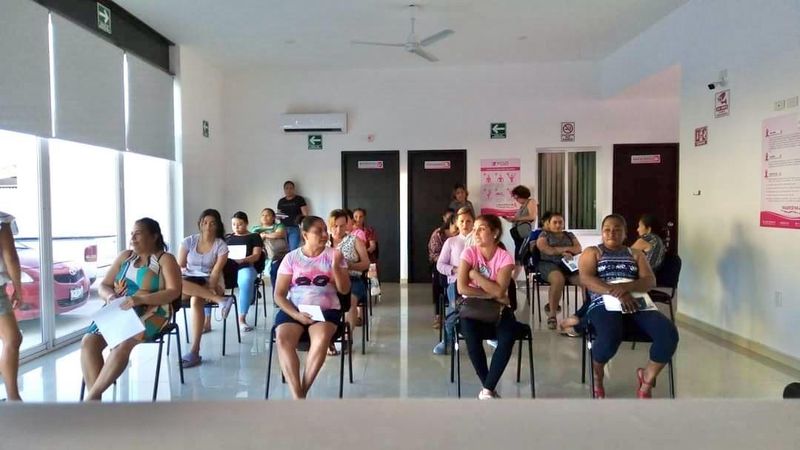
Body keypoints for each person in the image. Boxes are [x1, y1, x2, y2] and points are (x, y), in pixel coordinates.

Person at [577, 214, 679, 399]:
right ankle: (597, 372)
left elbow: (649, 280)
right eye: (607, 229)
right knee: (610, 336)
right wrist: (617, 292)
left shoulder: (636, 254)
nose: (611, 233)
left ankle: (647, 377)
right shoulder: (593, 252)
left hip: (637, 300)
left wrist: (626, 288)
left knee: (668, 333)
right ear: (602, 232)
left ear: (625, 234)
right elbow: (586, 278)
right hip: (603, 301)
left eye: (617, 229)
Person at [81, 218, 181, 401]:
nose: (133, 238)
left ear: (154, 236)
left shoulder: (165, 259)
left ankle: (92, 399)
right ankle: (95, 403)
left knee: (124, 342)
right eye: (132, 234)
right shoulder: (125, 257)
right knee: (89, 341)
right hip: (119, 309)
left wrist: (139, 299)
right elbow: (104, 285)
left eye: (138, 233)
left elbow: (174, 292)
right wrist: (110, 297)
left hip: (153, 310)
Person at [274, 216, 350, 399]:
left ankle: (302, 393)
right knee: (283, 340)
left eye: (325, 230)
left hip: (326, 309)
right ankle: (297, 395)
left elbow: (345, 290)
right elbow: (279, 295)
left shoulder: (335, 255)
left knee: (322, 338)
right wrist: (296, 315)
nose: (325, 234)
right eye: (318, 231)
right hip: (295, 309)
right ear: (305, 234)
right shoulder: (291, 258)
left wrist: (336, 269)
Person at [457, 214, 516, 399]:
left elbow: (500, 292)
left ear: (495, 233)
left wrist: (475, 276)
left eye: (481, 229)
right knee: (471, 337)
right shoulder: (469, 253)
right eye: (474, 229)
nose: (476, 233)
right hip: (472, 308)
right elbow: (462, 287)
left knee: (508, 336)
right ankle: (489, 389)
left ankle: (487, 390)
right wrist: (492, 294)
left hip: (498, 310)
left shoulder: (505, 257)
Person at [178, 209, 235, 368]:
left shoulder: (221, 245)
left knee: (197, 300)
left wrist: (210, 289)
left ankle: (194, 351)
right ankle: (222, 301)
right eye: (205, 222)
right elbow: (179, 267)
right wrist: (186, 272)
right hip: (188, 280)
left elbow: (216, 272)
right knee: (179, 283)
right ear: (200, 224)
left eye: (212, 223)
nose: (208, 226)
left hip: (211, 282)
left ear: (217, 226)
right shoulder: (188, 241)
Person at [433, 207, 474, 354]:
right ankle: (447, 341)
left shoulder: (479, 241)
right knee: (453, 310)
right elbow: (440, 265)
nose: (465, 224)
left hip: (477, 282)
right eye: (462, 221)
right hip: (455, 282)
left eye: (468, 221)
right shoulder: (451, 241)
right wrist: (456, 270)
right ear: (456, 222)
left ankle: (491, 336)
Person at [535, 211, 582, 330]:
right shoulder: (544, 234)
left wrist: (559, 250)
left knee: (586, 280)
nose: (558, 225)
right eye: (554, 222)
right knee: (558, 279)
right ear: (549, 224)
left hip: (568, 265)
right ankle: (552, 315)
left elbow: (578, 248)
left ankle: (586, 312)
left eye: (560, 222)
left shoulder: (569, 234)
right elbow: (545, 249)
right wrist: (564, 251)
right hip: (548, 264)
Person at [329, 210, 370, 331]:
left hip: (352, 279)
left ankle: (347, 336)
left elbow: (366, 264)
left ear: (347, 225)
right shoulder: (324, 241)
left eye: (342, 226)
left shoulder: (354, 240)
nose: (338, 229)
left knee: (350, 301)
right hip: (329, 280)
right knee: (321, 299)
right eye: (335, 226)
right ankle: (328, 337)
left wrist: (350, 265)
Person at [226, 211, 264, 332]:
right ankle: (206, 321)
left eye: (240, 224)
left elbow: (256, 255)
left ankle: (242, 318)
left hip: (246, 266)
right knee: (208, 277)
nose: (236, 227)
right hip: (228, 267)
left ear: (246, 223)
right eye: (233, 224)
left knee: (246, 280)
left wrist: (242, 260)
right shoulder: (228, 237)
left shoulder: (254, 236)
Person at [0, 211, 23, 401]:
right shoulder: (2, 219)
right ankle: (13, 398)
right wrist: (18, 287)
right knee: (12, 338)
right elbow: (10, 256)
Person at [428, 209, 457, 329]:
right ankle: (438, 315)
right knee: (438, 278)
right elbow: (434, 254)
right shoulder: (438, 234)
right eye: (455, 226)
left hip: (458, 266)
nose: (457, 230)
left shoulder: (463, 237)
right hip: (441, 263)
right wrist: (448, 262)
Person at [251, 208, 288, 295]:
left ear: (273, 217)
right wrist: (269, 235)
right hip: (259, 255)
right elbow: (253, 240)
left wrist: (264, 235)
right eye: (263, 215)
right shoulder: (255, 228)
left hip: (277, 256)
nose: (264, 217)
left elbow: (279, 234)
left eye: (267, 215)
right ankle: (252, 295)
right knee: (250, 270)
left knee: (275, 271)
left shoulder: (279, 226)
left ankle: (277, 296)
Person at [503, 185, 538, 273]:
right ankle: (514, 280)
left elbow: (532, 216)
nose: (516, 200)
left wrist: (515, 219)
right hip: (517, 234)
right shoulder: (522, 206)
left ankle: (517, 279)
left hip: (524, 234)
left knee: (522, 256)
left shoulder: (531, 202)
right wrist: (509, 219)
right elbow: (518, 220)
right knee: (518, 257)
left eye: (517, 198)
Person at [277, 180, 309, 251]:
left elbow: (305, 215)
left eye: (291, 188)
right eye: (286, 188)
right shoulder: (281, 201)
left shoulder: (299, 199)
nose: (289, 190)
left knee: (293, 249)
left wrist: (303, 228)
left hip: (295, 228)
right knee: (284, 249)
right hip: (283, 228)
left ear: (294, 189)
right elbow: (278, 215)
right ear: (284, 189)